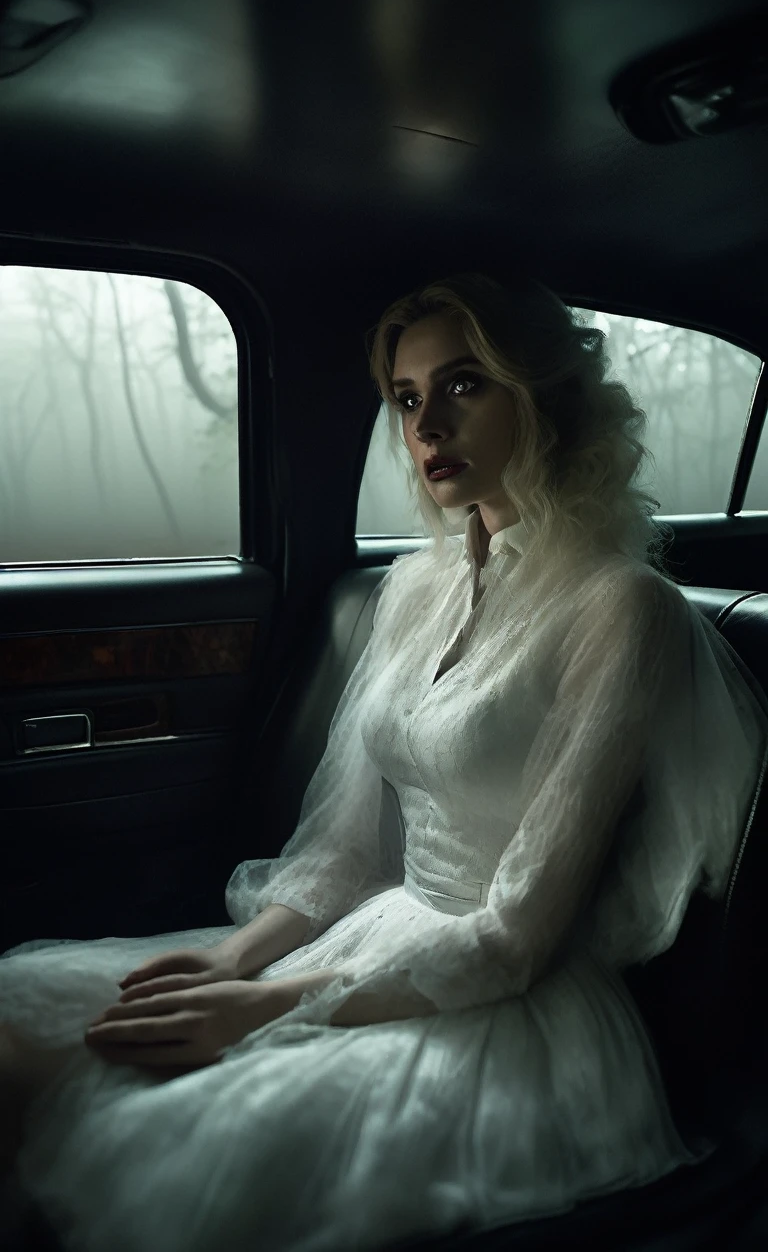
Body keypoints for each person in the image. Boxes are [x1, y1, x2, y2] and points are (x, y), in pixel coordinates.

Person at [1, 273, 766, 1252]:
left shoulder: (622, 609)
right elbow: (348, 849)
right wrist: (234, 959)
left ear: (542, 393)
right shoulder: (415, 589)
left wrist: (268, 1007)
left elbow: (516, 939)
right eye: (407, 399)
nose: (426, 425)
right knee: (21, 1017)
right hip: (374, 938)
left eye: (463, 385)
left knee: (145, 1148)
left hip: (506, 1013)